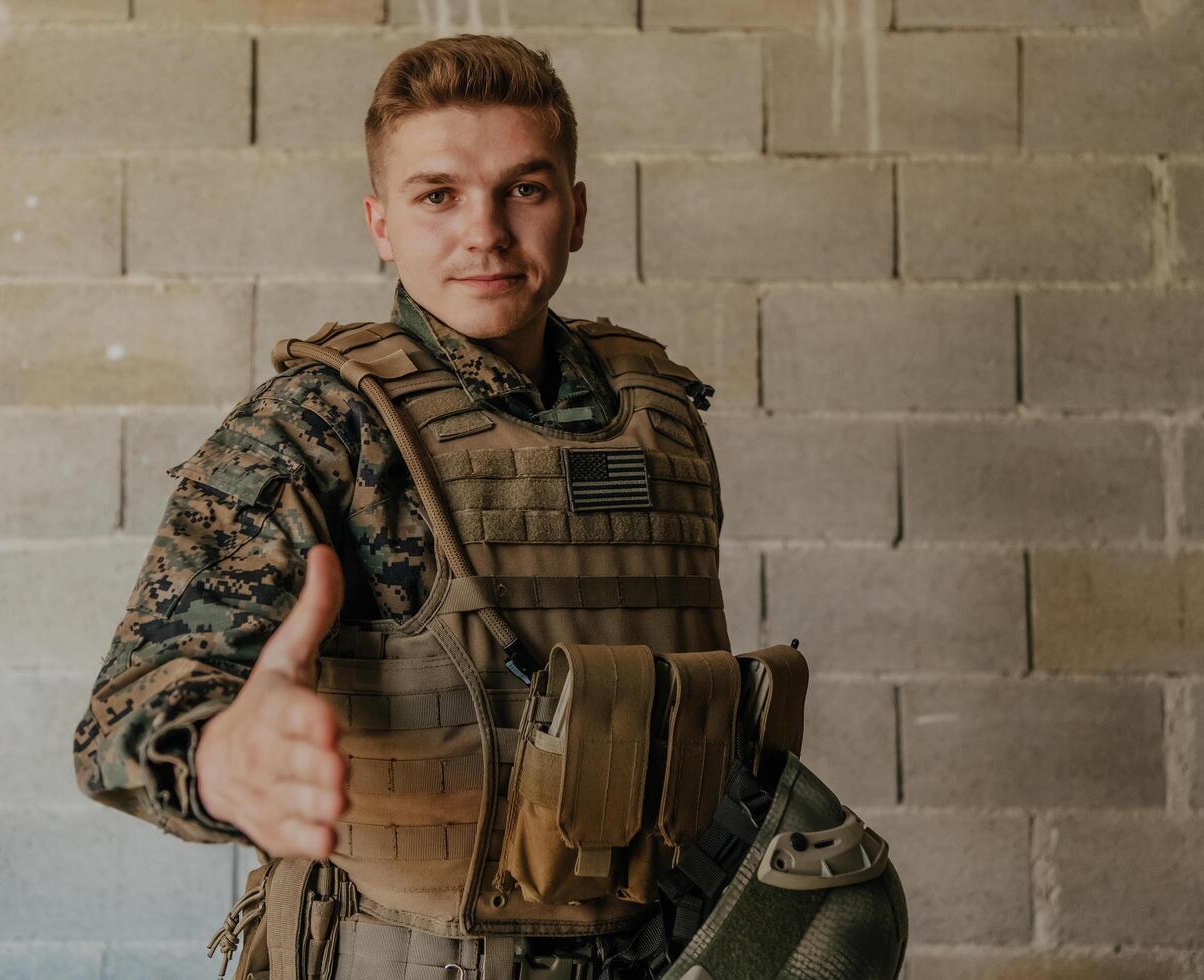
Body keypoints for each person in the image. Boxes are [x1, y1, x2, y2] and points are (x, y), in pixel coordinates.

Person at [73, 32, 906, 980]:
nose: (486, 232)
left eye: (525, 188)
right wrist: (219, 757)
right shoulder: (321, 428)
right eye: (438, 195)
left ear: (577, 211)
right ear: (380, 223)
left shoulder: (658, 411)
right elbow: (126, 718)